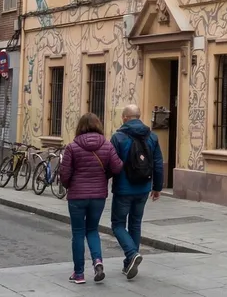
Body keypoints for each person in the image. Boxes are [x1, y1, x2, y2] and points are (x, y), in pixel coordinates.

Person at [60, 113, 123, 285]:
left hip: (77, 197)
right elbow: (117, 167)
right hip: (98, 196)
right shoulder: (107, 145)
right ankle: (98, 262)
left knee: (78, 233)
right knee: (93, 230)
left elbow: (64, 173)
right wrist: (104, 175)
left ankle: (79, 274)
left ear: (80, 127)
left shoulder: (72, 147)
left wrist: (69, 185)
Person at [109, 105, 165, 279]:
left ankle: (132, 254)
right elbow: (158, 163)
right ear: (139, 117)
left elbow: (112, 164)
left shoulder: (118, 137)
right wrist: (157, 187)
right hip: (143, 188)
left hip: (124, 189)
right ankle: (129, 264)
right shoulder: (152, 137)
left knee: (118, 224)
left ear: (125, 118)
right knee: (135, 224)